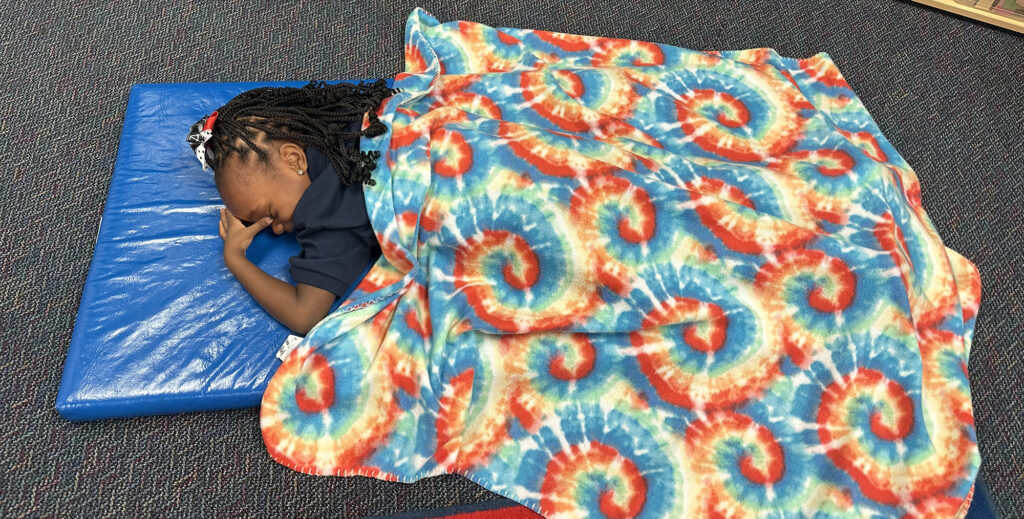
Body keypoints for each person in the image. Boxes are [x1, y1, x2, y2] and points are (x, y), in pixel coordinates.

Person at [185, 79, 400, 335]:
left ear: (294, 159)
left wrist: (234, 258)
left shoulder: (327, 206)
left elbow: (304, 315)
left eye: (271, 215)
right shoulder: (345, 117)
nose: (276, 230)